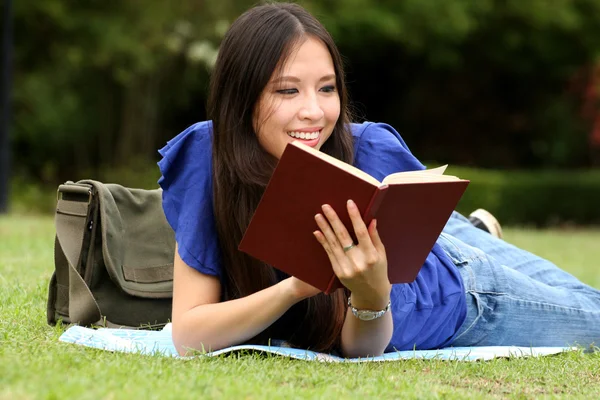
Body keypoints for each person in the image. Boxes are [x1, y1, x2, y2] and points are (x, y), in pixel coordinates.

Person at [157, 2, 600, 357]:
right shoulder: (207, 159)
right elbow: (190, 334)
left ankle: (465, 231)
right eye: (288, 90)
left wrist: (370, 293)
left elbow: (366, 343)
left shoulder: (363, 150)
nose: (315, 111)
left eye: (327, 88)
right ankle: (471, 229)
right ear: (242, 96)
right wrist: (297, 287)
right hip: (425, 272)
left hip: (456, 288)